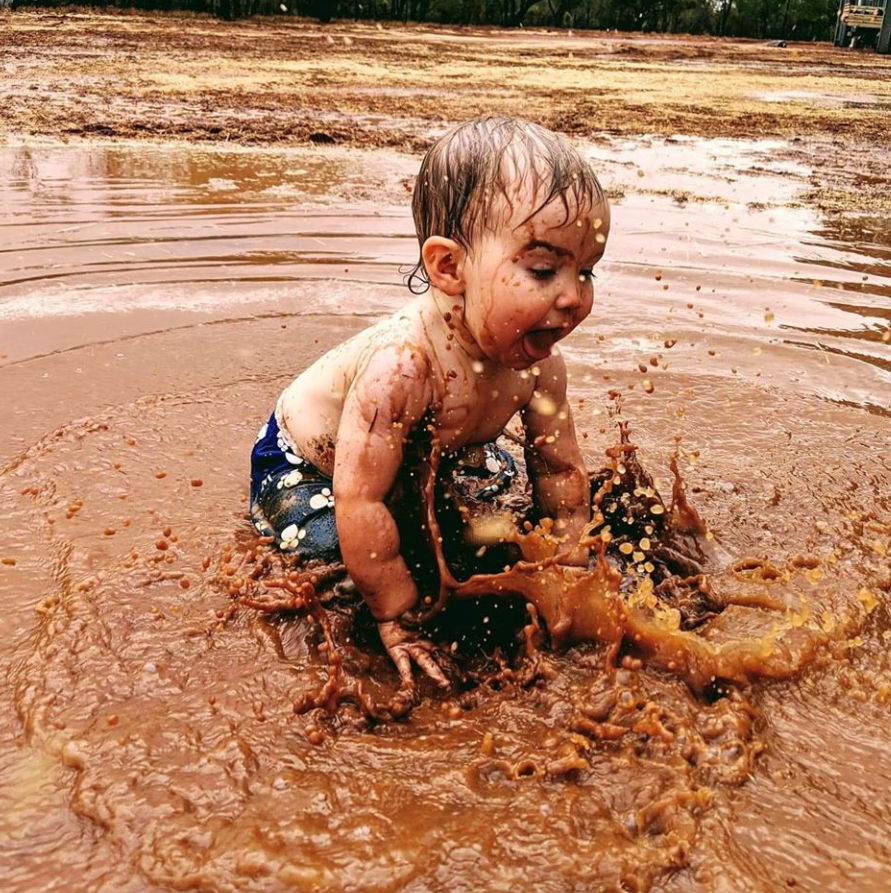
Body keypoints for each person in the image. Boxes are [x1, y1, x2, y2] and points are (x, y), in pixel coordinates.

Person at [250, 116, 610, 687]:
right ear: (448, 267)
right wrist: (395, 614)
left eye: (586, 271)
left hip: (433, 452)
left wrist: (568, 568)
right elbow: (359, 498)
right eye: (543, 269)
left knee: (495, 513)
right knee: (341, 568)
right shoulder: (405, 367)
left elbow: (562, 471)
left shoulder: (541, 366)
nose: (572, 297)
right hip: (310, 466)